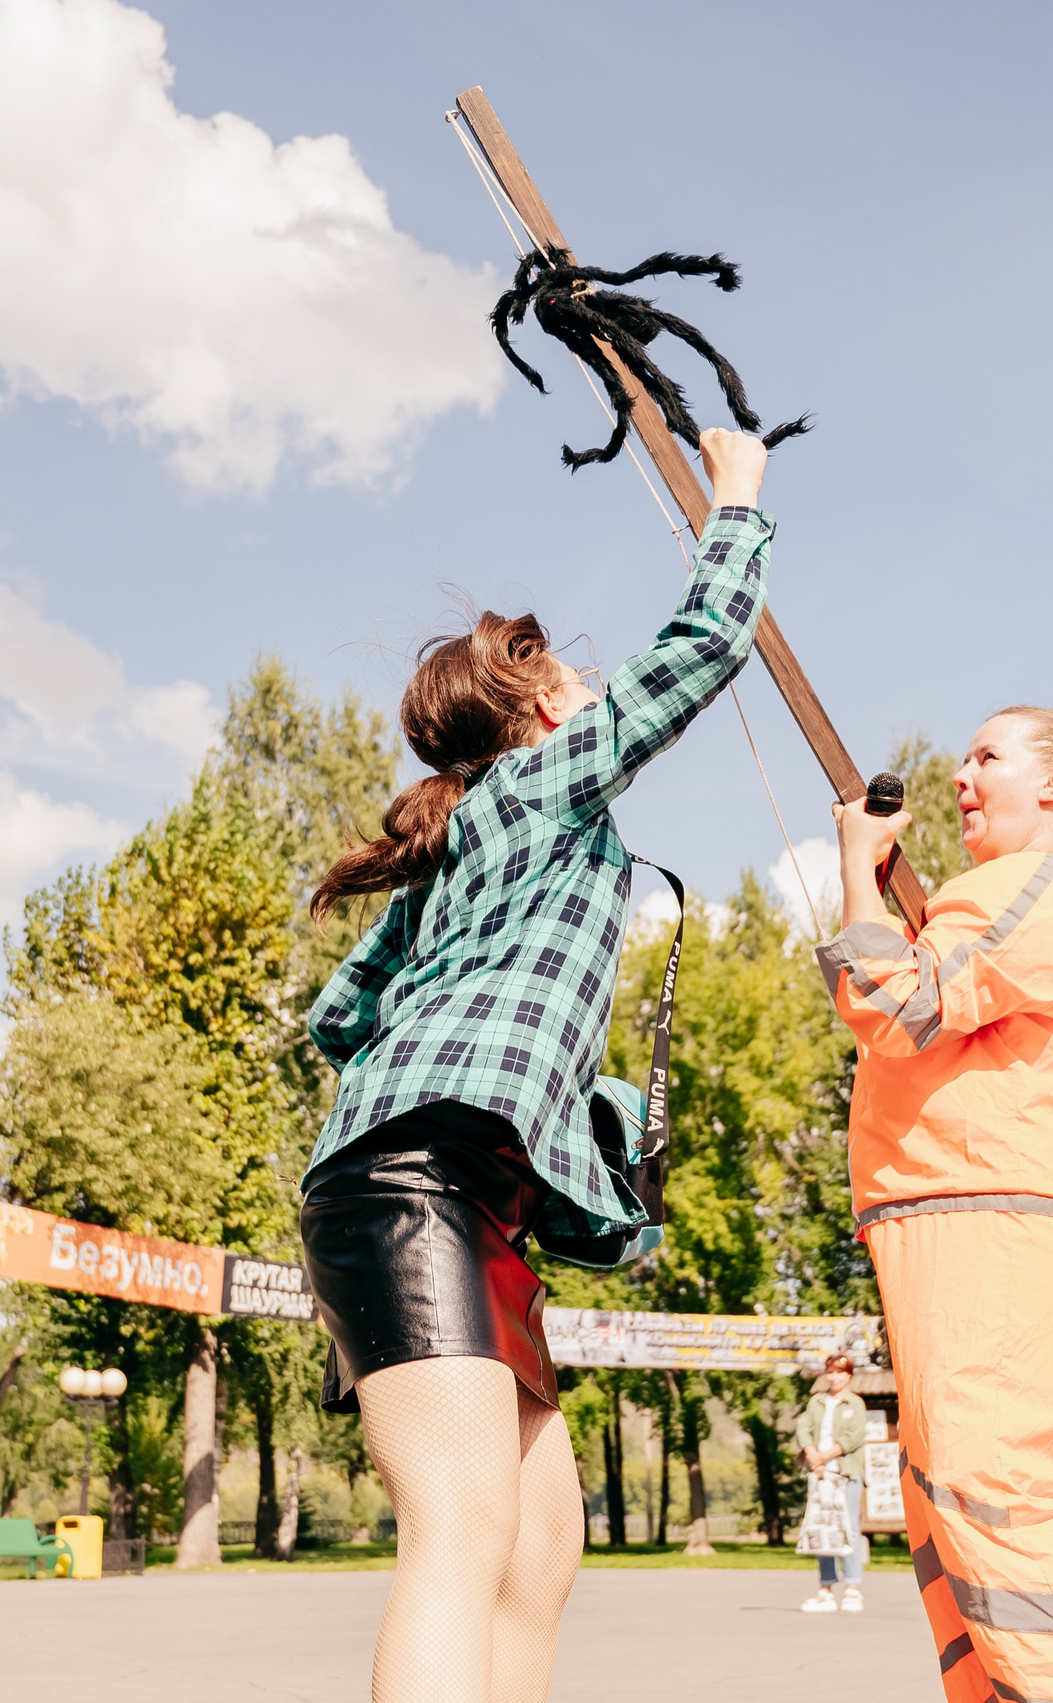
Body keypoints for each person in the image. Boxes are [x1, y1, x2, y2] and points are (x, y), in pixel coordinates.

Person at [300, 429, 775, 1703]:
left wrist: (552, 1094)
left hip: (473, 1189)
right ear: (547, 709)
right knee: (462, 1530)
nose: (594, 684)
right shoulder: (535, 785)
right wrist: (735, 502)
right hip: (413, 1184)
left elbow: (342, 1015)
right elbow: (699, 655)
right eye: (577, 673)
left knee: (539, 1551)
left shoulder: (466, 846)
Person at [823, 706, 1053, 1703]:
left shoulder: (1026, 882)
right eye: (963, 755)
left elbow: (899, 1006)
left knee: (994, 1498)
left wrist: (858, 865)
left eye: (986, 755)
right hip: (972, 1209)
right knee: (959, 1509)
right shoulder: (990, 895)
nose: (959, 773)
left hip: (1005, 1209)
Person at [796, 1354, 868, 1615]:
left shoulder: (855, 1403)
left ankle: (852, 1588)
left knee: (848, 1527)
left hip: (845, 1473)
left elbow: (853, 1437)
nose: (834, 1377)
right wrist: (812, 1456)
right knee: (822, 1529)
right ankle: (825, 1588)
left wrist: (823, 1456)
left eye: (840, 1372)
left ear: (848, 1375)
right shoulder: (816, 1402)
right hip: (820, 1474)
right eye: (830, 1372)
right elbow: (803, 1428)